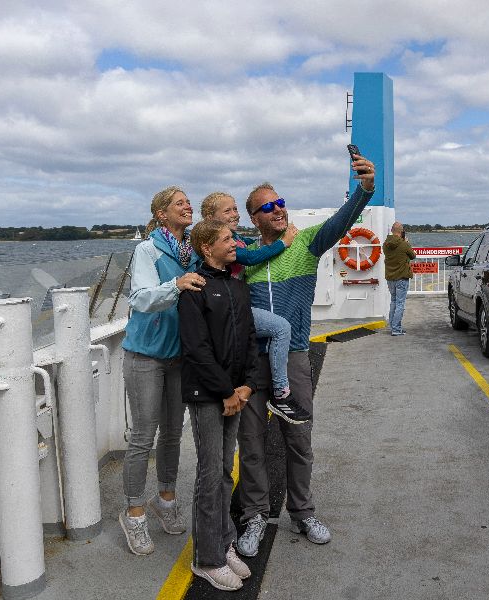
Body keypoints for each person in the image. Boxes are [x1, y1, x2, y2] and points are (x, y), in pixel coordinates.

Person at [235, 149, 376, 557]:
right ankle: (256, 515)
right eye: (268, 206)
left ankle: (302, 511)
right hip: (250, 360)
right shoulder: (243, 256)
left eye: (281, 202)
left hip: (294, 354)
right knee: (252, 441)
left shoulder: (308, 243)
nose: (279, 210)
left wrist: (365, 188)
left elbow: (342, 221)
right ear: (253, 217)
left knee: (299, 438)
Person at [119, 186, 203, 555]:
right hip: (146, 356)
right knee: (143, 436)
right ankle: (134, 512)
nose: (188, 206)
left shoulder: (192, 252)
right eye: (179, 203)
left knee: (171, 434)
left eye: (189, 201)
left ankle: (165, 501)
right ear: (161, 213)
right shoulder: (147, 249)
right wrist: (177, 285)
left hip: (178, 356)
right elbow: (139, 298)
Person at [179, 220, 258, 591]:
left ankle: (223, 542)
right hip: (208, 395)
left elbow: (249, 340)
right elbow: (196, 348)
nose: (234, 243)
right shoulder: (195, 290)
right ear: (207, 248)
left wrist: (247, 386)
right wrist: (226, 390)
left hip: (235, 393)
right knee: (209, 475)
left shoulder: (238, 287)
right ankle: (205, 559)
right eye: (227, 239)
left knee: (227, 470)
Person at [200, 192, 309, 424]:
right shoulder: (221, 242)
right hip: (230, 309)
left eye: (235, 209)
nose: (234, 214)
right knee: (281, 328)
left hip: (235, 304)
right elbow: (250, 258)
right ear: (210, 217)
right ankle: (281, 393)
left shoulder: (235, 239)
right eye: (227, 210)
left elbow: (250, 247)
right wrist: (284, 242)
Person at [383, 222, 416, 336]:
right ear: (401, 231)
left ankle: (393, 326)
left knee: (393, 302)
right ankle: (396, 329)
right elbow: (412, 256)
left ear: (392, 230)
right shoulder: (404, 244)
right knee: (400, 303)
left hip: (390, 277)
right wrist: (407, 243)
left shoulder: (385, 244)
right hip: (401, 277)